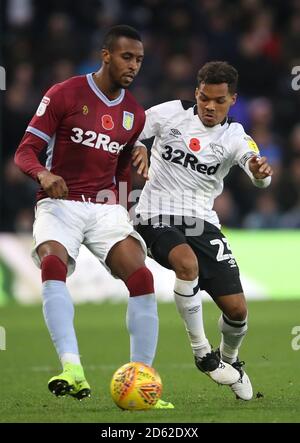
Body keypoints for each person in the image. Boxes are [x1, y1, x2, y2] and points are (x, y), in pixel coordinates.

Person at [14, 25, 173, 408]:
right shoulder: (64, 93)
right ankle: (72, 369)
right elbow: (25, 152)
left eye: (139, 60)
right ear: (106, 55)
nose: (133, 66)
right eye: (126, 57)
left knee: (142, 275)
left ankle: (143, 382)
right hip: (60, 203)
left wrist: (121, 201)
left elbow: (120, 167)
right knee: (52, 263)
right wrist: (44, 174)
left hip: (105, 209)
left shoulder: (134, 114)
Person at [135, 61, 273, 401]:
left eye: (219, 101)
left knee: (238, 310)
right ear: (196, 92)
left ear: (232, 100)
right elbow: (132, 128)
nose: (210, 106)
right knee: (186, 264)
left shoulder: (234, 136)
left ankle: (230, 361)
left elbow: (259, 174)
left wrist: (259, 171)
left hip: (202, 222)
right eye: (204, 98)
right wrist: (138, 145)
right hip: (156, 213)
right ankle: (202, 353)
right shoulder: (170, 113)